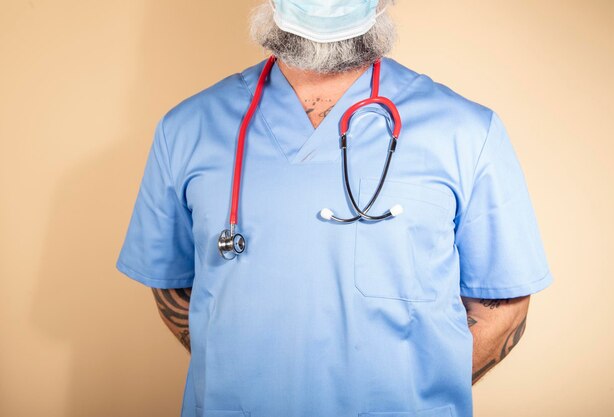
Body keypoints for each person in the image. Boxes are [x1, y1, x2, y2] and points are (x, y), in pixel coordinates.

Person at [115, 1, 553, 416]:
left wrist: (414, 394)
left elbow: (504, 308)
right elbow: (173, 286)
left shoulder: (464, 131)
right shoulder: (188, 129)